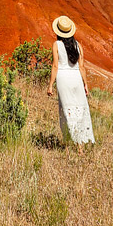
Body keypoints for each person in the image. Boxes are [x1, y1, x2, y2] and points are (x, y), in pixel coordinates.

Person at [46, 14, 95, 151]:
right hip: (76, 79)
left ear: (58, 31)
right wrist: (85, 84)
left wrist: (50, 85)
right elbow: (82, 67)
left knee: (67, 111)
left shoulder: (56, 45)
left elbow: (55, 66)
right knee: (80, 110)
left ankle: (71, 144)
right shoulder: (78, 45)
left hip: (63, 79)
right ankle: (80, 146)